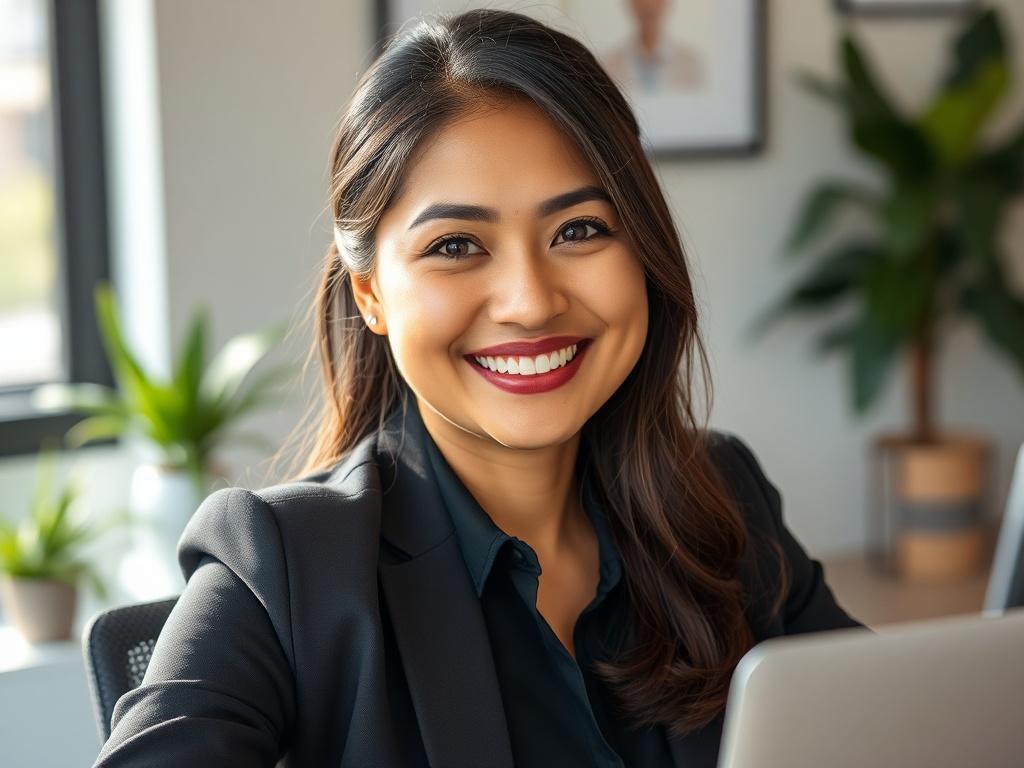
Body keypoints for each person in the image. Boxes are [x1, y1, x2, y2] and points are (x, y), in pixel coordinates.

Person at [92, 8, 866, 767]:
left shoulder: (724, 498)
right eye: (456, 245)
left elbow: (900, 722)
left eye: (580, 230)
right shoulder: (283, 567)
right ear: (371, 294)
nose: (530, 300)